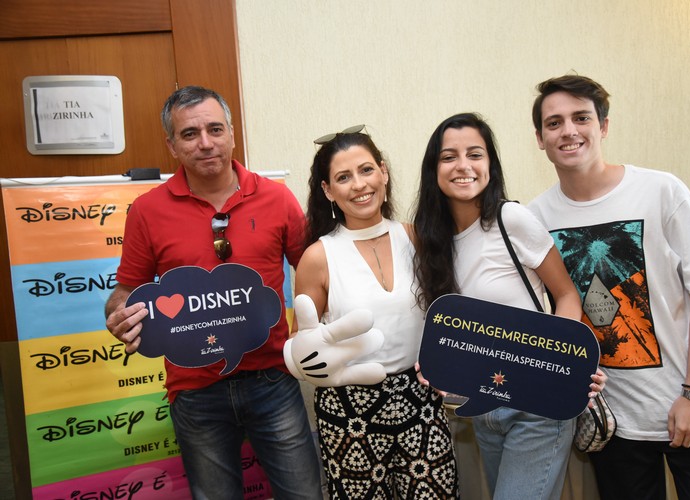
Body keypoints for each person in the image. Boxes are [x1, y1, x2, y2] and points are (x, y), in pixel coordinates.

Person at [528, 74, 690, 500]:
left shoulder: (661, 190)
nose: (568, 131)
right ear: (540, 138)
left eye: (581, 118)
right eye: (554, 123)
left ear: (603, 126)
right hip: (615, 423)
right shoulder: (537, 217)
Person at [104, 85, 323, 500]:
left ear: (232, 135)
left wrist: (309, 330)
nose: (205, 143)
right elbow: (127, 290)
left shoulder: (276, 198)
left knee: (304, 494)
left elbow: (314, 270)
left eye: (215, 129)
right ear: (172, 145)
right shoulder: (147, 210)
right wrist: (119, 314)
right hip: (194, 389)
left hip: (273, 379)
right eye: (189, 134)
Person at [412, 112, 605, 499]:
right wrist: (434, 365)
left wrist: (564, 362)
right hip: (482, 408)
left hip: (537, 406)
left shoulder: (511, 219)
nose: (463, 166)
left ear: (491, 164)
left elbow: (566, 294)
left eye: (475, 154)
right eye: (449, 157)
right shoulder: (432, 240)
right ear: (434, 169)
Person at [291, 127, 459, 499]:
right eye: (343, 177)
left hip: (420, 400)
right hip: (347, 410)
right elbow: (301, 342)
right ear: (327, 191)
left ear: (383, 172)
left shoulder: (416, 238)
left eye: (366, 170)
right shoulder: (318, 257)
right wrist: (307, 357)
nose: (359, 185)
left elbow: (446, 316)